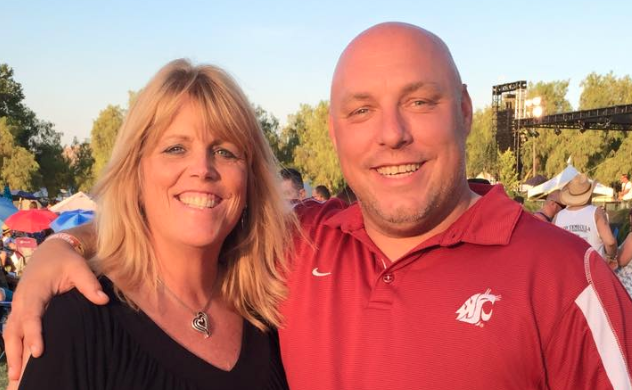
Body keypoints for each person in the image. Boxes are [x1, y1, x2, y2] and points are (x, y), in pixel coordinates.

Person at [5, 23, 632, 390]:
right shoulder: (303, 245)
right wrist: (63, 246)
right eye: (362, 110)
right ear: (336, 133)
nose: (391, 135)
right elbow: (181, 219)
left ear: (465, 111)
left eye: (419, 101)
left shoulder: (564, 277)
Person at [9, 59, 294, 389]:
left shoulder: (271, 314)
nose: (202, 168)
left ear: (250, 180)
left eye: (225, 151)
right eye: (176, 148)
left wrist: (61, 242)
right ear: (135, 174)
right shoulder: (78, 320)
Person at [554, 173, 618, 267]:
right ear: (590, 194)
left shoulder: (558, 216)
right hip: (593, 272)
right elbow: (610, 242)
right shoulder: (596, 213)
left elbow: (553, 247)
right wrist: (611, 257)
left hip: (567, 271)